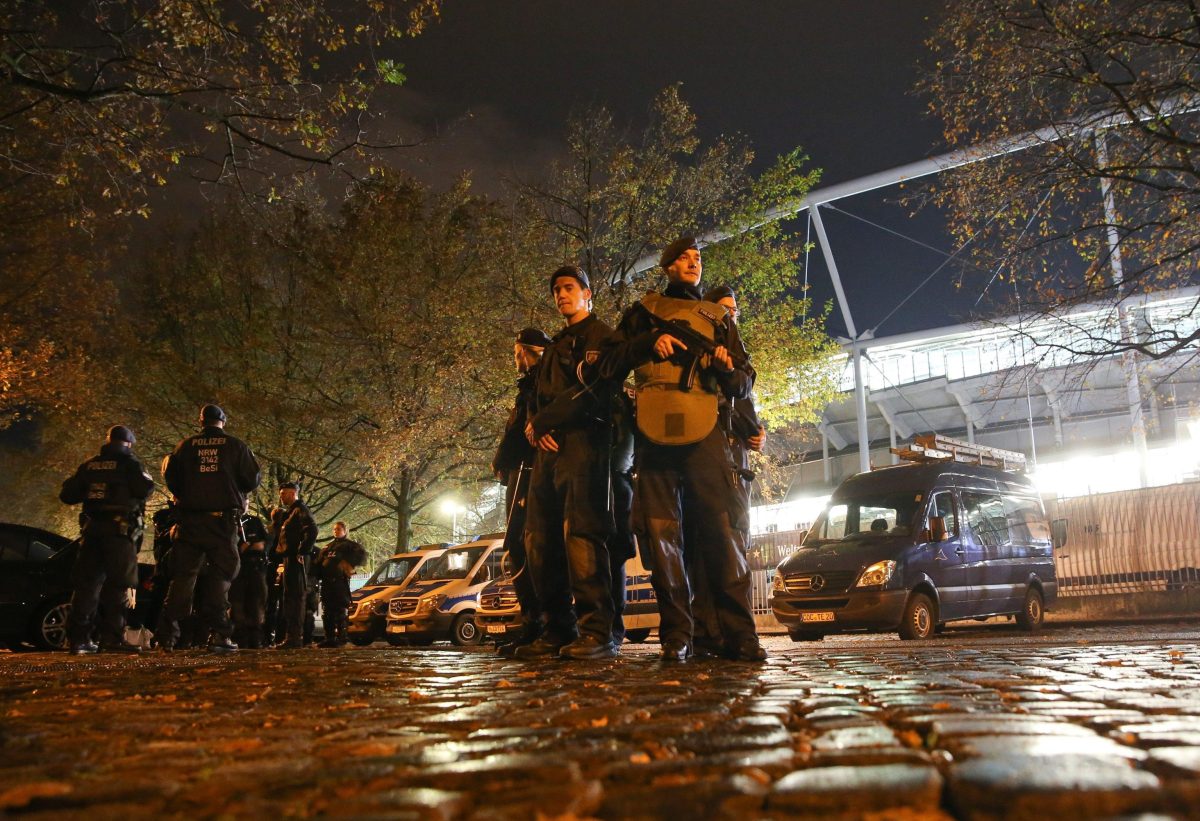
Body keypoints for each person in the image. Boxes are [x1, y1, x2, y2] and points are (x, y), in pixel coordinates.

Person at [592, 237, 765, 662]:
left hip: (705, 434)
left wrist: (725, 367)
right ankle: (676, 636)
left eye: (698, 258)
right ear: (667, 266)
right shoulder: (643, 313)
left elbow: (744, 383)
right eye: (684, 258)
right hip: (654, 436)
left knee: (723, 534)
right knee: (661, 538)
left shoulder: (720, 318)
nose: (693, 263)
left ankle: (741, 634)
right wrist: (646, 345)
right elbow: (607, 365)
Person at [516, 265, 618, 661]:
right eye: (557, 289)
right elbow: (536, 400)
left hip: (583, 448)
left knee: (583, 538)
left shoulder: (602, 337)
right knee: (539, 541)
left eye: (569, 288)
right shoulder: (557, 344)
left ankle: (598, 632)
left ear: (587, 293)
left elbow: (594, 391)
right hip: (548, 453)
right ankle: (558, 628)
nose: (562, 295)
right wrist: (534, 427)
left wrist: (544, 421)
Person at [690, 285, 765, 657]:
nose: (730, 315)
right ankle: (714, 632)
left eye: (733, 310)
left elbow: (743, 400)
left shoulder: (736, 357)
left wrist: (756, 430)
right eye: (723, 309)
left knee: (730, 542)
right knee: (713, 543)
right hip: (715, 455)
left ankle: (728, 632)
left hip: (734, 461)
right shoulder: (710, 352)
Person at [156, 404, 261, 653]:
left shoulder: (184, 446)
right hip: (222, 523)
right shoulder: (236, 446)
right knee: (221, 577)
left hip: (190, 522)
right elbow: (252, 478)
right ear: (223, 421)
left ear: (201, 422)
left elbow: (172, 478)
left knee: (183, 577)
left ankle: (167, 635)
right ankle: (219, 635)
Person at [59, 425, 155, 655]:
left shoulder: (90, 465)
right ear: (129, 444)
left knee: (87, 585)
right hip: (119, 533)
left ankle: (78, 640)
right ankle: (111, 638)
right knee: (118, 585)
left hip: (92, 532)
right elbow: (145, 489)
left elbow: (68, 494)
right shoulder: (129, 464)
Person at [491, 326, 550, 656]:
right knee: (520, 546)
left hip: (528, 471)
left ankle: (535, 621)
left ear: (531, 352)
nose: (515, 360)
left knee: (520, 546)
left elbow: (521, 430)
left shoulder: (538, 383)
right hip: (519, 470)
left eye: (518, 354)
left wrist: (505, 457)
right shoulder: (529, 385)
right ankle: (532, 619)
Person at [271, 480, 317, 648]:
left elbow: (312, 530)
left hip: (296, 559)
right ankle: (292, 635)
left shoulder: (300, 510)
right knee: (289, 597)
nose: (281, 497)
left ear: (292, 493)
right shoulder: (291, 512)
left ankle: (295, 637)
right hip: (289, 558)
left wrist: (302, 551)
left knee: (296, 597)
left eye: (283, 494)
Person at [315, 522, 368, 647]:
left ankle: (341, 637)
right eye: (334, 529)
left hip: (339, 582)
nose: (336, 531)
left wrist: (348, 565)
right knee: (327, 612)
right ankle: (329, 638)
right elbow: (318, 562)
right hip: (327, 583)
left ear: (345, 530)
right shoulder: (328, 547)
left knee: (340, 610)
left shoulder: (350, 546)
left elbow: (361, 557)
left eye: (338, 529)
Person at [230, 503, 271, 648]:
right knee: (237, 603)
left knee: (256, 603)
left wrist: (250, 547)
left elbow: (264, 543)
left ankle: (255, 638)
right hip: (237, 568)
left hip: (255, 568)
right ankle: (241, 638)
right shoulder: (229, 521)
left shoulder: (254, 521)